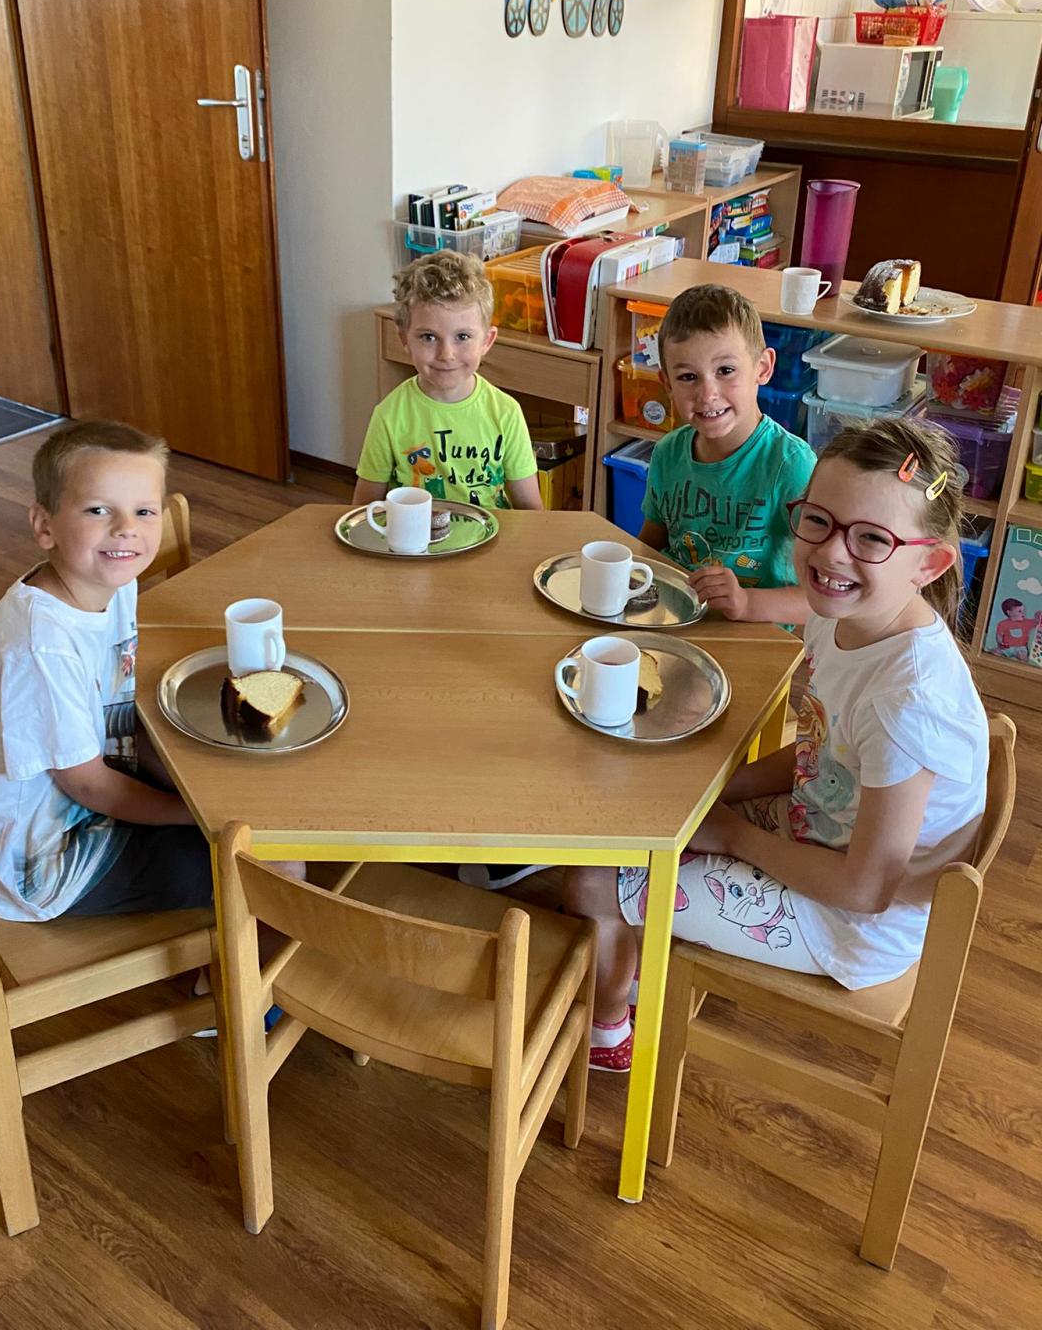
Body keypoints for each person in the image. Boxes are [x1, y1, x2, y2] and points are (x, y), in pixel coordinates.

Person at [566, 417, 989, 1070]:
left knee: (592, 878)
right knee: (640, 809)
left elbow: (865, 890)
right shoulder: (840, 615)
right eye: (818, 520)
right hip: (816, 836)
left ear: (929, 563)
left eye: (872, 538)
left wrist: (731, 834)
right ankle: (634, 955)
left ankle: (609, 1035)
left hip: (848, 927)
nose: (832, 553)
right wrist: (713, 793)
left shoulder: (909, 702)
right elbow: (823, 750)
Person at [0, 420, 213, 922]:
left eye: (144, 511)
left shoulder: (113, 582)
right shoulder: (39, 649)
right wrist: (196, 815)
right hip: (51, 863)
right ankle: (247, 966)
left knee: (240, 790)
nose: (126, 529)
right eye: (99, 510)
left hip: (97, 781)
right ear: (44, 526)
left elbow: (114, 713)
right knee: (267, 860)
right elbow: (90, 786)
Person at [639, 283, 815, 625]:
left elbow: (821, 600)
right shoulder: (667, 454)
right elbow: (649, 548)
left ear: (763, 368)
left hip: (754, 635)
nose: (707, 394)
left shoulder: (792, 465)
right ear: (667, 383)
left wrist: (746, 603)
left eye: (725, 371)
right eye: (688, 377)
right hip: (676, 622)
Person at [353, 250, 544, 511]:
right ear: (404, 339)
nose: (446, 355)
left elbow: (531, 510)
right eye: (428, 337)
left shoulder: (506, 413)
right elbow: (364, 510)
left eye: (462, 337)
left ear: (486, 341)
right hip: (416, 537)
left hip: (492, 536)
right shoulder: (388, 415)